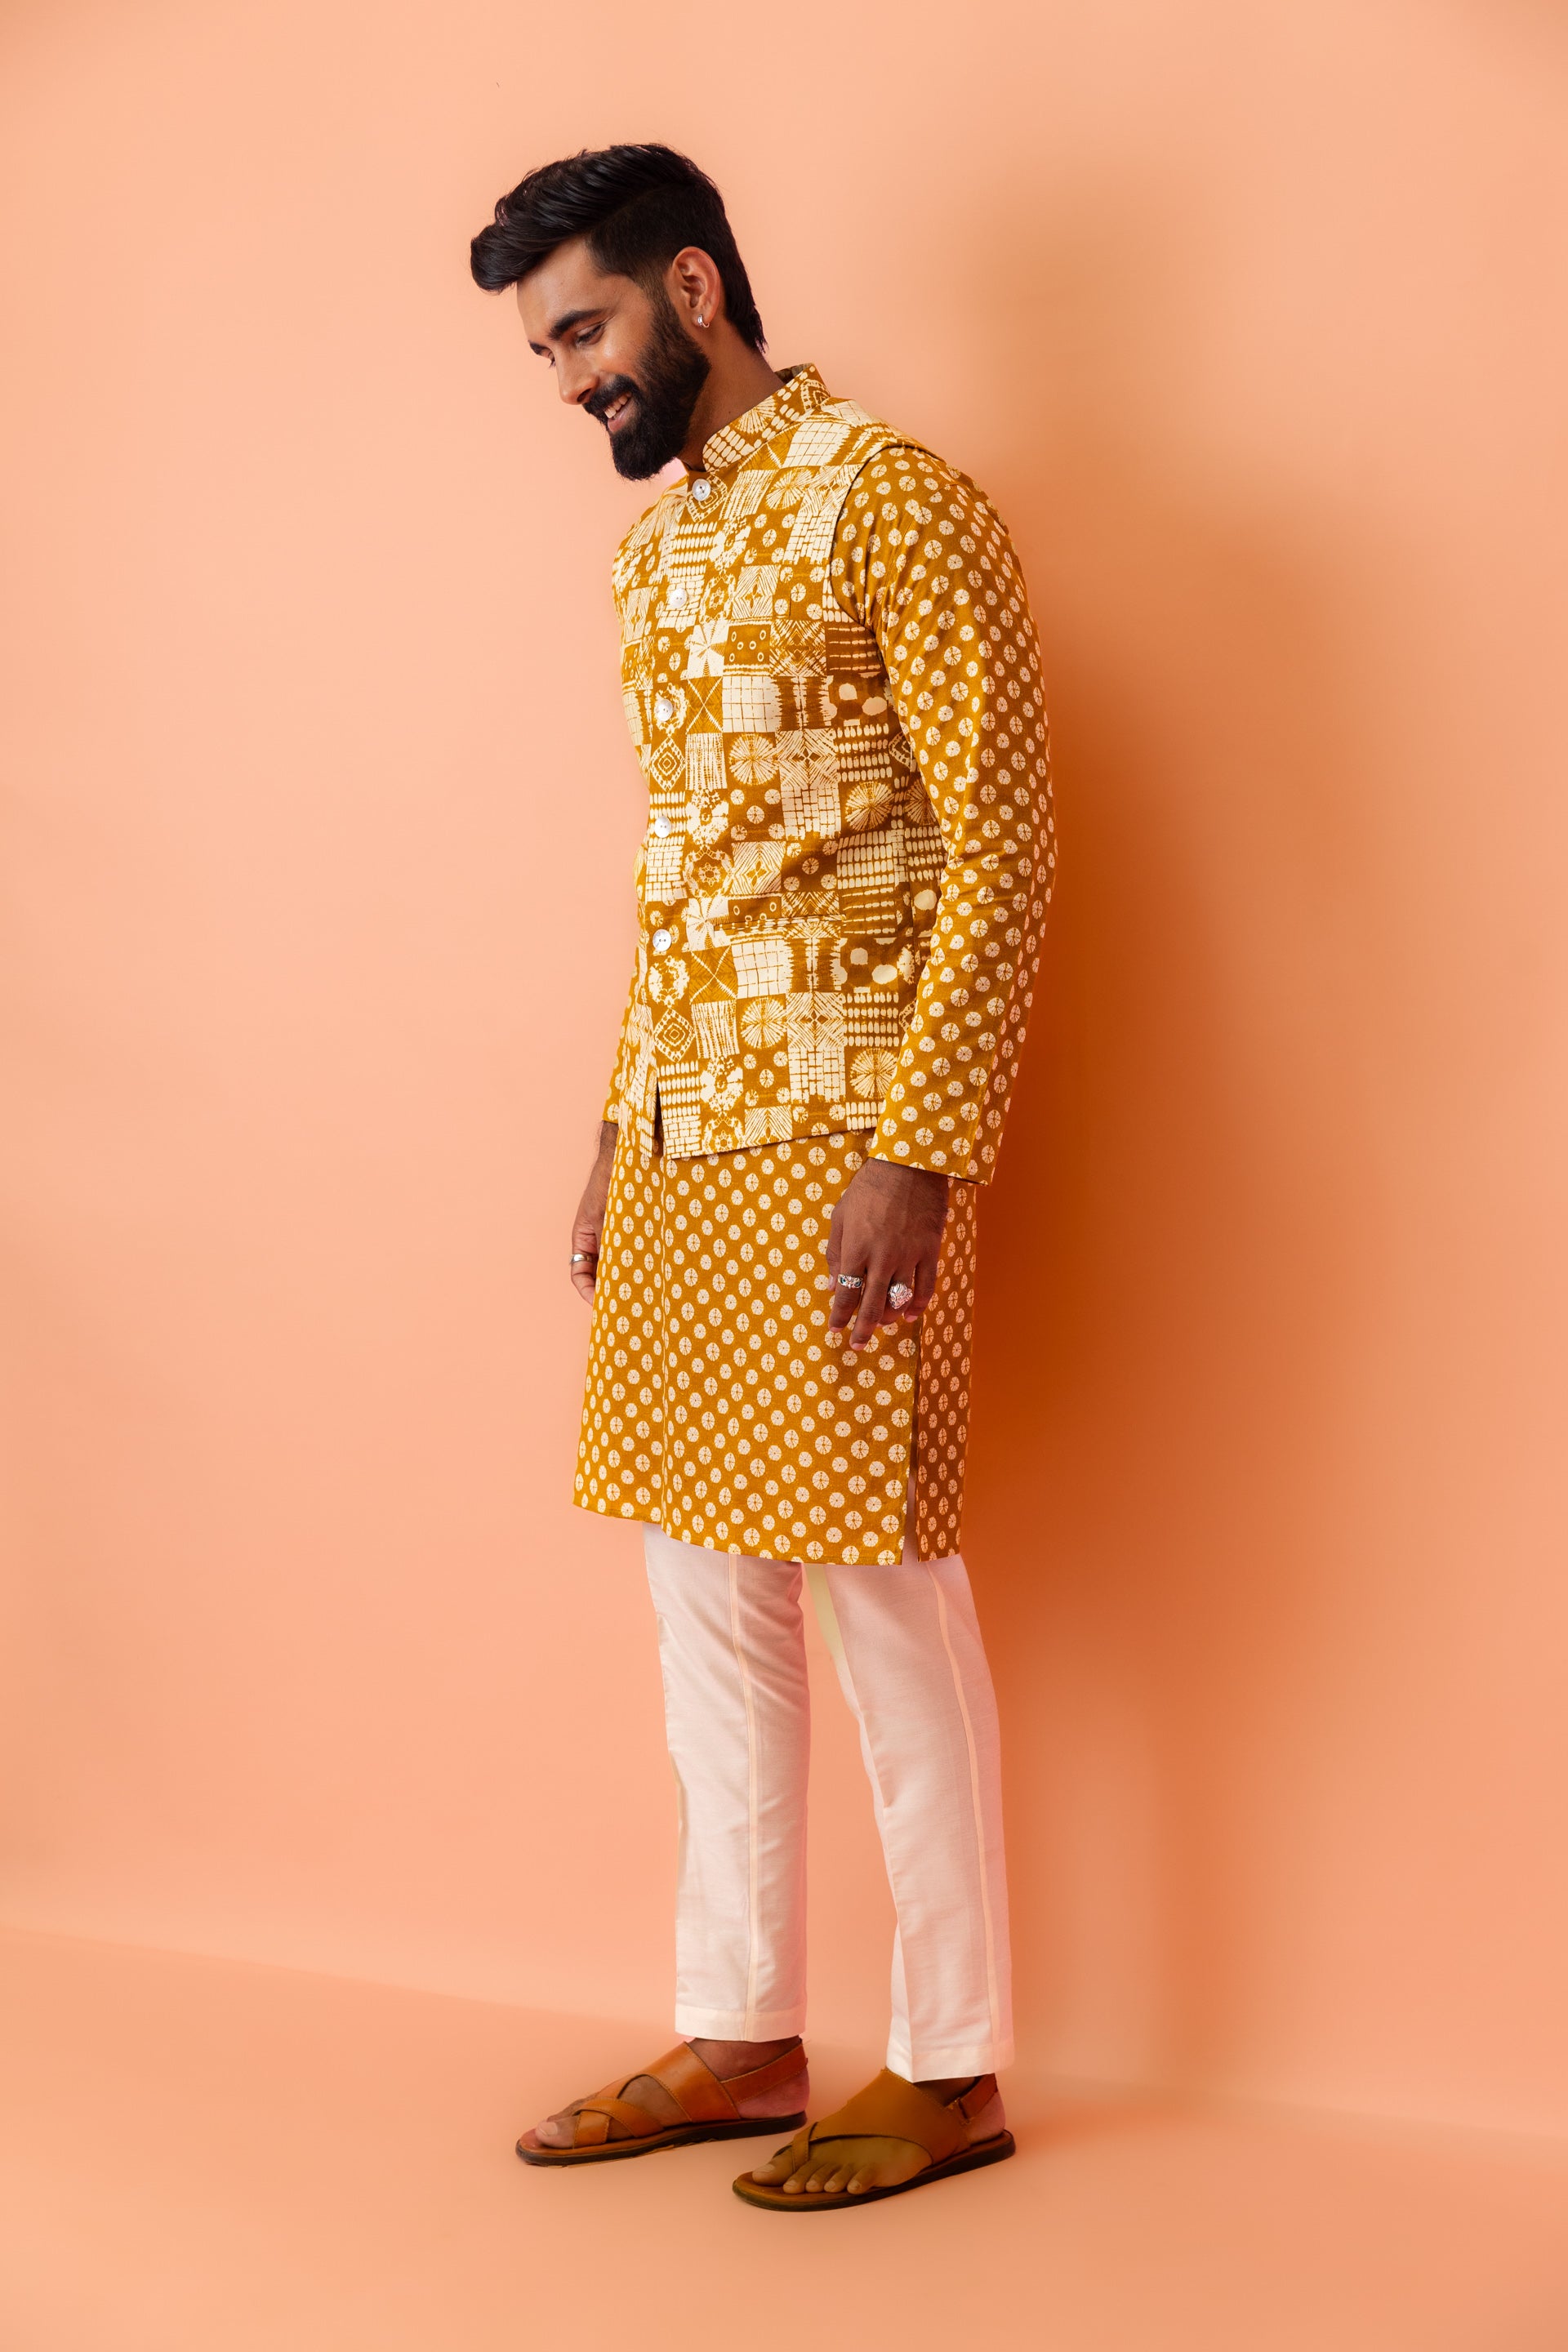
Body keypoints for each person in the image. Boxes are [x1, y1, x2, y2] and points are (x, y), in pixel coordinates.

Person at [470, 145, 1054, 2209]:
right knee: (699, 1592)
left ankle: (953, 2063)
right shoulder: (657, 559)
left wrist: (922, 1148)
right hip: (687, 1131)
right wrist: (613, 1129)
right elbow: (685, 876)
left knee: (881, 1584)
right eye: (545, 350)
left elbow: (1001, 844)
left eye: (586, 330)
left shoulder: (897, 499)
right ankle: (739, 2032)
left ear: (696, 287)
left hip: (846, 1138)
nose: (569, 381)